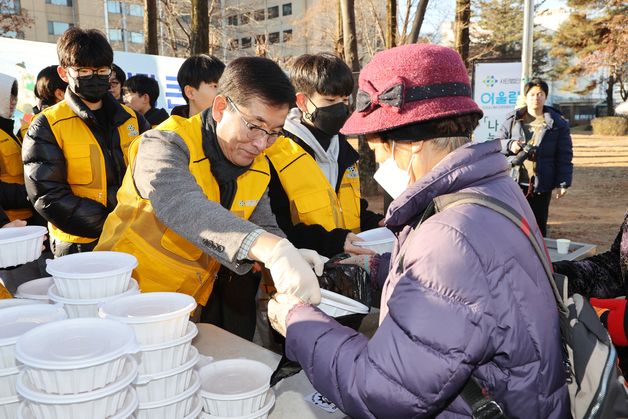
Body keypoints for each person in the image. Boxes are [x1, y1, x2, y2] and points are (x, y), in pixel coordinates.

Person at [267, 44, 569, 418]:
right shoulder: (490, 189)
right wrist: (376, 271)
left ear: (411, 143)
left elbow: (381, 390)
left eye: (377, 147)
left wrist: (297, 321)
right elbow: (469, 288)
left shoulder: (449, 238)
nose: (376, 160)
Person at [95, 57, 326, 336]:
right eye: (254, 126)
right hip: (123, 299)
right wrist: (273, 251)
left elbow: (262, 223)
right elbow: (183, 205)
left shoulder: (259, 165)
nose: (261, 143)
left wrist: (289, 252)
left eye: (274, 133)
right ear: (220, 108)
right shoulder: (163, 143)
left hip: (184, 306)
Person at [22, 27, 150, 257]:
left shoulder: (133, 119)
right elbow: (47, 195)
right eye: (83, 71)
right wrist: (111, 222)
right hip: (80, 247)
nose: (94, 77)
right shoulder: (47, 125)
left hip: (134, 238)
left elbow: (154, 173)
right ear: (63, 73)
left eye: (101, 70)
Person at [266, 53, 382, 258]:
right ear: (302, 101)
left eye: (345, 100)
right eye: (330, 100)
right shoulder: (276, 154)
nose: (340, 108)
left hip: (348, 270)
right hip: (302, 275)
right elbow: (274, 227)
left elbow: (350, 210)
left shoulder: (344, 151)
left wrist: (378, 223)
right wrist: (332, 242)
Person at [497, 78, 573, 237]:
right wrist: (511, 145)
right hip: (514, 182)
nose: (536, 98)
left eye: (540, 94)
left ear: (546, 96)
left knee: (538, 226)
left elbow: (564, 155)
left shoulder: (557, 123)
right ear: (526, 96)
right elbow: (498, 145)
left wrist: (563, 182)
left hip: (541, 184)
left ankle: (537, 260)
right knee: (512, 224)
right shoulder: (513, 119)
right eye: (532, 94)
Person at [0, 73, 31, 223]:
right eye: (7, 97)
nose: (13, 102)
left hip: (27, 215)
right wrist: (30, 193)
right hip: (8, 221)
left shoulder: (10, 131)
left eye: (15, 97)